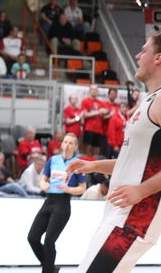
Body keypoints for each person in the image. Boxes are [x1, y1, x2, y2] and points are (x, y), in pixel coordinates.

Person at [68, 34, 161, 272]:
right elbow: (135, 160)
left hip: (137, 216)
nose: (137, 56)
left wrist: (142, 189)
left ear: (158, 58)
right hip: (120, 212)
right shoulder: (148, 100)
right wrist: (94, 166)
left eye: (143, 51)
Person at [27, 133, 86, 273]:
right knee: (32, 237)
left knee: (49, 241)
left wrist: (69, 189)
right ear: (61, 144)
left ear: (75, 146)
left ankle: (48, 270)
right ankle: (51, 268)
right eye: (65, 142)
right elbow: (43, 179)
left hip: (63, 204)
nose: (67, 145)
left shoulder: (78, 163)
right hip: (49, 201)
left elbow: (82, 188)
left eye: (71, 143)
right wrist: (43, 185)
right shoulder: (53, 160)